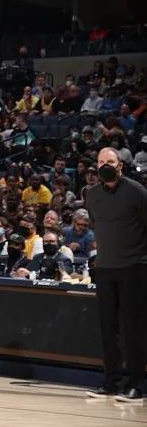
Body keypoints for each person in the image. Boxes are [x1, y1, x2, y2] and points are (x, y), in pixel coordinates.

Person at [85, 147, 147, 403]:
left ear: (120, 165)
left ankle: (136, 385)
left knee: (133, 328)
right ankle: (111, 381)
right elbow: (97, 225)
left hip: (134, 266)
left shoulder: (137, 192)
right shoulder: (91, 194)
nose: (105, 165)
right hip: (105, 268)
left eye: (109, 161)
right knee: (107, 328)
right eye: (101, 162)